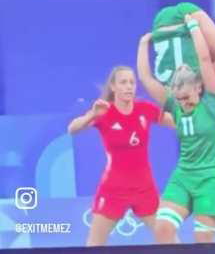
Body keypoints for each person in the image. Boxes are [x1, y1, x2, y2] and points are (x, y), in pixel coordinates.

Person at [137, 15, 215, 244]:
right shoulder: (176, 107)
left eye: (186, 97)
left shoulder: (212, 103)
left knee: (202, 241)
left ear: (199, 87)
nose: (183, 103)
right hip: (183, 176)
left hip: (211, 179)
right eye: (178, 99)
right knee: (162, 230)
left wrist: (194, 27)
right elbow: (146, 79)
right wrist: (143, 43)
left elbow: (205, 59)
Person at [67, 66, 174, 246]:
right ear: (113, 87)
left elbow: (176, 122)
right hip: (113, 189)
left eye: (132, 82)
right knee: (95, 244)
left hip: (144, 187)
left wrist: (194, 115)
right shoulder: (103, 111)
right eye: (123, 82)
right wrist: (92, 115)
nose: (129, 87)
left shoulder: (145, 109)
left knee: (168, 238)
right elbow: (72, 129)